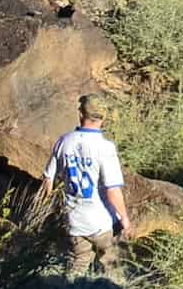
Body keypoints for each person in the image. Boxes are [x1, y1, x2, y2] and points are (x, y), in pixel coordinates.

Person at [40, 94, 130, 275]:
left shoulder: (64, 141)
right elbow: (113, 191)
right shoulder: (105, 147)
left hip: (75, 222)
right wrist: (125, 220)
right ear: (103, 118)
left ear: (81, 113)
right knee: (113, 268)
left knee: (77, 266)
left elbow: (47, 180)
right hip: (102, 223)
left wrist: (44, 211)